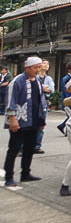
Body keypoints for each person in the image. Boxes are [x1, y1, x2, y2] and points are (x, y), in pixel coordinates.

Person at [3, 56, 47, 187]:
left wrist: (42, 120)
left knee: (29, 148)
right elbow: (10, 101)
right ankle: (9, 176)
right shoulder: (17, 81)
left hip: (34, 120)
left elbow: (40, 101)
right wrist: (12, 119)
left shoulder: (37, 81)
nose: (37, 70)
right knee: (14, 149)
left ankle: (25, 173)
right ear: (27, 68)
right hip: (19, 120)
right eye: (35, 67)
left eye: (39, 67)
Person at [34, 60, 55, 154]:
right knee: (29, 125)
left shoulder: (49, 78)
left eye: (47, 64)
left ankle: (37, 146)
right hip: (33, 103)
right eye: (44, 63)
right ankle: (24, 147)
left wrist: (42, 88)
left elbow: (51, 90)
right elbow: (34, 88)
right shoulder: (34, 77)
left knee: (41, 125)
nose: (46, 65)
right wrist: (43, 88)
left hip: (43, 103)